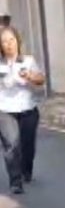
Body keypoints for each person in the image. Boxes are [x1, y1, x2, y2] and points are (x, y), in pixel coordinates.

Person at [0, 26, 44, 193]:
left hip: (28, 109)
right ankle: (15, 181)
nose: (9, 44)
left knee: (27, 146)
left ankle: (26, 170)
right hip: (4, 110)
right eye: (4, 42)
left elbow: (41, 79)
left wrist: (30, 76)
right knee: (11, 144)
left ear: (17, 41)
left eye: (11, 40)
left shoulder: (28, 61)